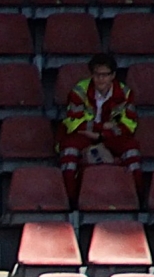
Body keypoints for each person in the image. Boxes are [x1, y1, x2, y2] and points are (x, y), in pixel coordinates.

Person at [59, 52, 140, 204]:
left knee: (132, 150)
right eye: (97, 74)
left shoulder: (125, 93)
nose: (100, 79)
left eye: (105, 75)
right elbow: (73, 122)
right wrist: (101, 127)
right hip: (83, 135)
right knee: (69, 149)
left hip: (110, 136)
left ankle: (135, 200)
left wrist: (102, 135)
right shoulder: (79, 91)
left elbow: (128, 125)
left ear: (113, 75)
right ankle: (69, 201)